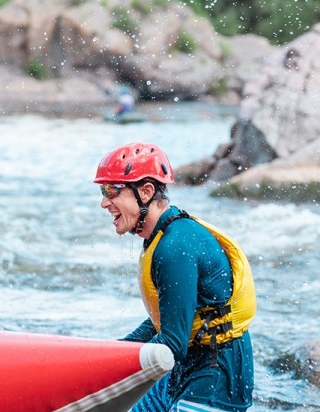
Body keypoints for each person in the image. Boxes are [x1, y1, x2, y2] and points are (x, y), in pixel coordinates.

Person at [94, 142, 256, 411]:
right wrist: (116, 350)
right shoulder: (160, 236)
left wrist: (114, 366)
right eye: (103, 190)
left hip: (216, 375)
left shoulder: (175, 246)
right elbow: (170, 315)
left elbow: (173, 342)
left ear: (146, 191)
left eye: (111, 190)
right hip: (186, 365)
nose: (103, 202)